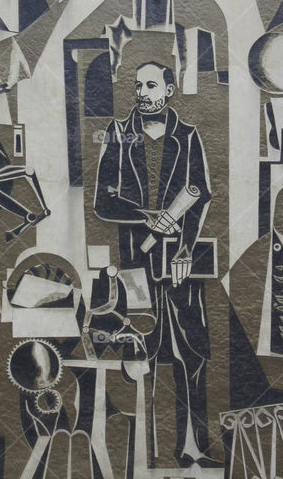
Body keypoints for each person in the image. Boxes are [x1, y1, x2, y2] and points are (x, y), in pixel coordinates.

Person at [93, 61, 217, 468]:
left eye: (151, 85)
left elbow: (201, 197)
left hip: (179, 267)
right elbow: (102, 203)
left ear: (169, 90)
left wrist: (185, 248)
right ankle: (141, 455)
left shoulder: (188, 136)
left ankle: (193, 448)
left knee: (190, 354)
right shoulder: (117, 133)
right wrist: (143, 216)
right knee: (139, 352)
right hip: (135, 267)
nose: (142, 92)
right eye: (137, 85)